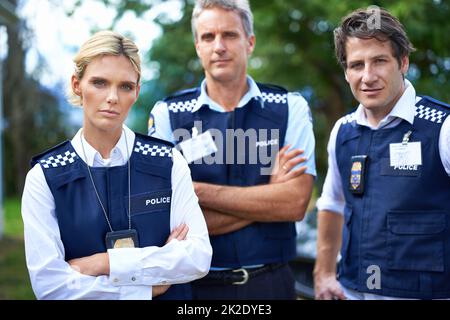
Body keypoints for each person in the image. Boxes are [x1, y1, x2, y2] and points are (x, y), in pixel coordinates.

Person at [21, 30, 212, 300]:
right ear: (77, 85)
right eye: (99, 83)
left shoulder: (168, 161)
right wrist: (146, 287)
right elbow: (51, 288)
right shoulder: (45, 176)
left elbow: (197, 256)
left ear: (136, 92)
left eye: (125, 86)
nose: (112, 97)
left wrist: (105, 263)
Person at [149, 0, 316, 300]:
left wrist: (192, 191)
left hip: (271, 284)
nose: (219, 46)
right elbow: (165, 217)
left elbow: (293, 204)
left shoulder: (290, 107)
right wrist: (267, 198)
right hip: (194, 289)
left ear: (249, 42)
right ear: (198, 46)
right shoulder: (167, 114)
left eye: (229, 35)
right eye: (208, 37)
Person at [314, 7, 450, 300]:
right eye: (356, 65)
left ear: (403, 62)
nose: (368, 76)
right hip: (350, 291)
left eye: (379, 61)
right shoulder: (343, 131)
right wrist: (324, 273)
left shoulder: (442, 127)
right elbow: (332, 204)